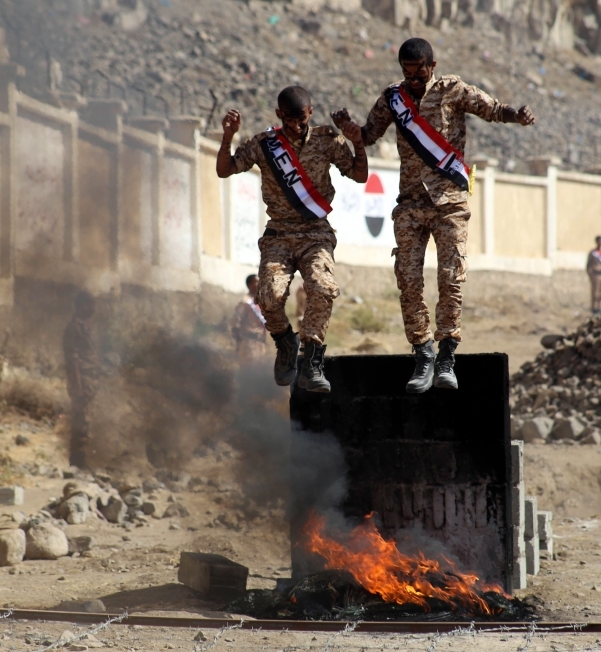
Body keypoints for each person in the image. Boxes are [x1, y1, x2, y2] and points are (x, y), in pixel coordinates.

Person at [341, 37, 534, 393]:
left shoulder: (452, 90)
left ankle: (446, 355)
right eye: (407, 72)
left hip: (450, 202)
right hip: (411, 203)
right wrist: (353, 133)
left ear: (433, 65)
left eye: (419, 72)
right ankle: (422, 353)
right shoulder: (392, 98)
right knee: (408, 279)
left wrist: (515, 116)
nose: (413, 79)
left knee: (451, 277)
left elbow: (492, 109)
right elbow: (369, 135)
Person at [216, 86, 368, 392]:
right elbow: (225, 169)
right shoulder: (265, 144)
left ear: (310, 113)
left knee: (323, 288)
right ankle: (285, 342)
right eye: (289, 120)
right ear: (278, 115)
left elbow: (359, 174)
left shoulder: (327, 140)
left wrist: (357, 143)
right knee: (269, 297)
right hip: (279, 234)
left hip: (316, 233)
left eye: (301, 118)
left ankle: (312, 357)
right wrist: (228, 137)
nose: (296, 126)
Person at [63, 290, 99, 469]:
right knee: (81, 421)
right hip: (82, 381)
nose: (92, 308)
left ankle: (83, 461)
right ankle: (78, 464)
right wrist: (77, 387)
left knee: (87, 420)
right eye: (89, 304)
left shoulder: (85, 327)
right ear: (79, 306)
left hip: (90, 380)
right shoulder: (73, 328)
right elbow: (73, 360)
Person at [231, 274, 269, 364]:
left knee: (258, 373)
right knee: (248, 372)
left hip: (260, 344)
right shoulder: (245, 302)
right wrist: (239, 344)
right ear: (249, 284)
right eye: (256, 281)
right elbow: (235, 324)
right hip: (248, 343)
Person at [587, 235, 601, 314]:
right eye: (599, 241)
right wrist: (591, 275)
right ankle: (594, 307)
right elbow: (588, 265)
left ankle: (599, 306)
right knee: (595, 292)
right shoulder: (593, 253)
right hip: (595, 274)